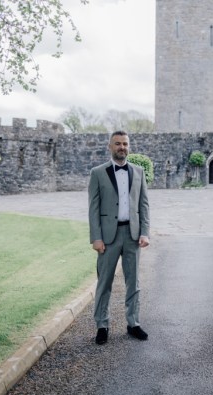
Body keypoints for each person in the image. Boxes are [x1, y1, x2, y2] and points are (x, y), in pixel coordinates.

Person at [88, 131, 150, 345]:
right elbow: (93, 208)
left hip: (132, 235)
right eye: (117, 144)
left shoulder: (139, 172)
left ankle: (133, 323)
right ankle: (102, 325)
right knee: (104, 282)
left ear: (128, 146)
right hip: (107, 237)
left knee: (133, 282)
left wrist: (145, 232)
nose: (122, 147)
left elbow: (144, 205)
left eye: (125, 144)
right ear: (110, 146)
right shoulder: (98, 173)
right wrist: (96, 237)